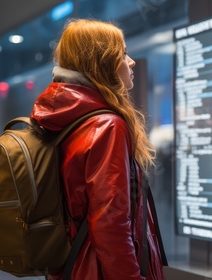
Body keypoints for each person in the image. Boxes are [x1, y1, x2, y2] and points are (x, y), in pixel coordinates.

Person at [30, 19, 166, 279]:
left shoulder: (64, 118)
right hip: (101, 270)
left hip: (71, 264)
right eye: (123, 53)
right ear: (101, 62)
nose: (132, 61)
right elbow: (110, 222)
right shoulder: (106, 126)